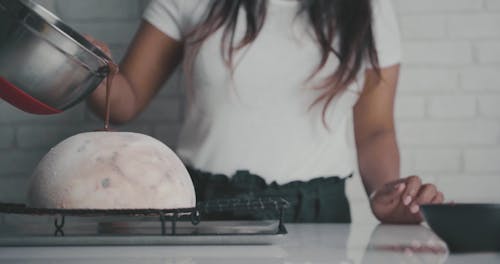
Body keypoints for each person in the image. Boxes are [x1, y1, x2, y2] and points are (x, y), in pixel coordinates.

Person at [87, 0, 444, 224]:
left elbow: (375, 131)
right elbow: (124, 100)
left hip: (319, 213)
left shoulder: (370, 8)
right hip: (204, 207)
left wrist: (388, 195)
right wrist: (80, 65)